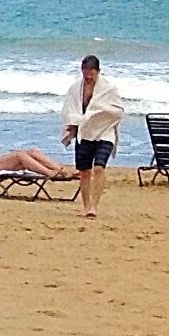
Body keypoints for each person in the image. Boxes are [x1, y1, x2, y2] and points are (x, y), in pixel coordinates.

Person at [60, 53, 124, 218]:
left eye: (91, 73)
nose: (88, 76)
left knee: (99, 167)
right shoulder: (75, 89)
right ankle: (86, 206)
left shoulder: (109, 89)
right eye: (85, 72)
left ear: (98, 71)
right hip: (84, 132)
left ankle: (94, 206)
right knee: (84, 171)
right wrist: (75, 124)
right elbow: (70, 109)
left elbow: (117, 111)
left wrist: (97, 114)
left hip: (104, 132)